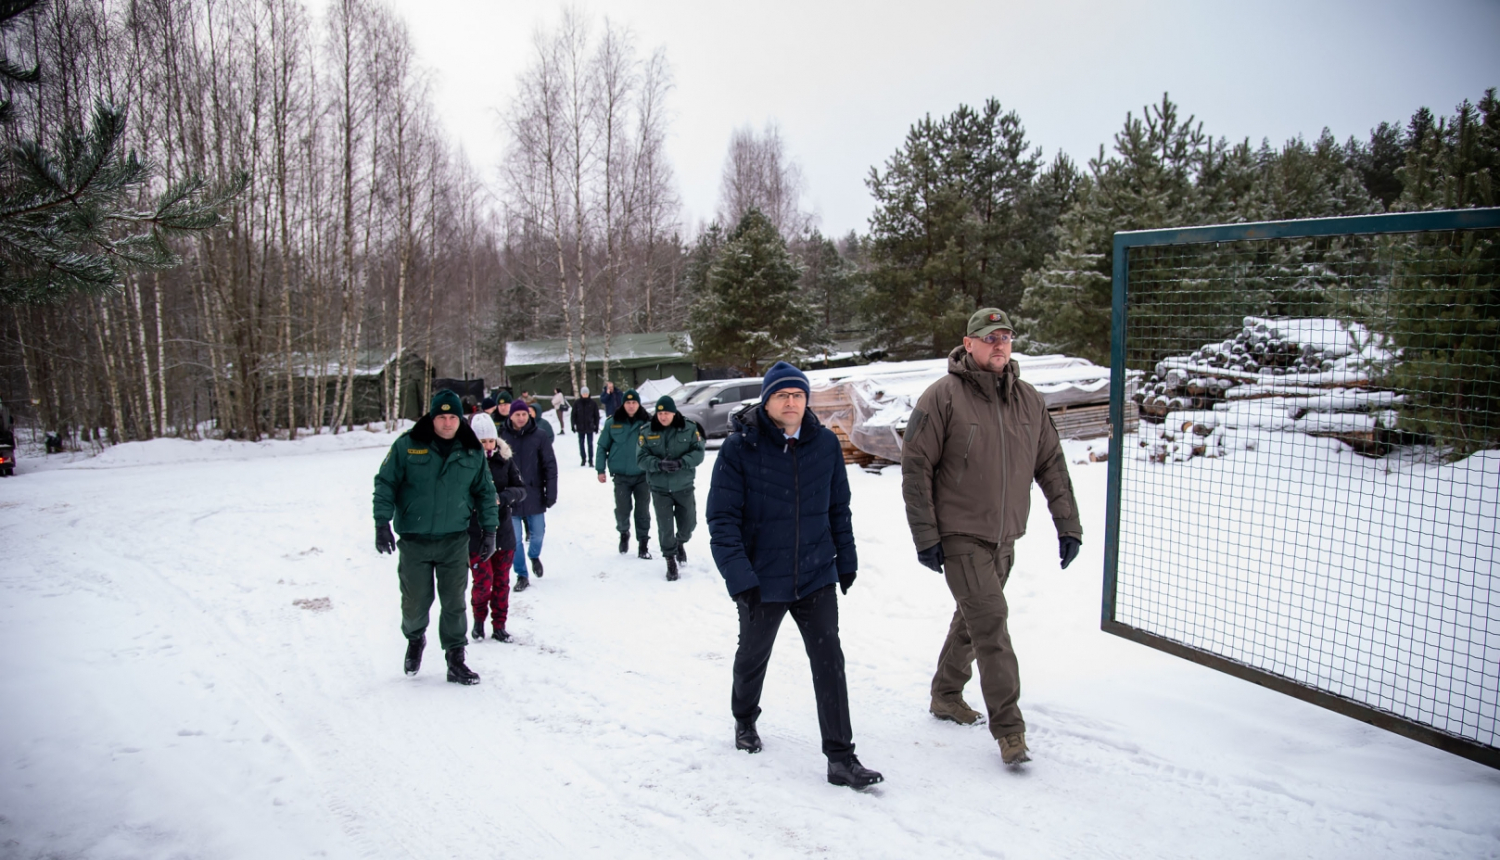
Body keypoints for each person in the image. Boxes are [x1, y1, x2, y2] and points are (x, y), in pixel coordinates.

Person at [900, 308, 1083, 766]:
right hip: (959, 533)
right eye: (989, 337)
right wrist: (926, 534)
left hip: (1005, 536)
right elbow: (915, 468)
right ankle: (1010, 731)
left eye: (1006, 337)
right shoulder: (941, 397)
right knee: (993, 626)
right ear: (968, 344)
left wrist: (1068, 524)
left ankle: (945, 693)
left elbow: (1052, 467)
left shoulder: (1028, 400)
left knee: (974, 620)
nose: (999, 344)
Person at [707, 361, 883, 789]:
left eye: (798, 395)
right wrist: (740, 578)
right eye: (783, 395)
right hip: (761, 579)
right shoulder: (740, 448)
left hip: (816, 574)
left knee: (829, 662)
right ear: (767, 401)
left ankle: (841, 758)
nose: (792, 402)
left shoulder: (824, 444)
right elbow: (722, 520)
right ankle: (744, 719)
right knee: (752, 657)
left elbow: (838, 507)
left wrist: (847, 559)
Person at [373, 389, 497, 685]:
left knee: (454, 602)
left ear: (459, 418)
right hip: (415, 540)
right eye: (441, 417)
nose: (446, 423)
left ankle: (456, 659)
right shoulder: (408, 445)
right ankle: (415, 638)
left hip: (454, 539)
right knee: (415, 603)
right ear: (431, 417)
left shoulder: (471, 449)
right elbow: (386, 482)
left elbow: (484, 491)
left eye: (452, 417)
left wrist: (490, 530)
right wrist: (381, 522)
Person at [467, 412, 528, 642]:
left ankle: (499, 624)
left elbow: (521, 489)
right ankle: (478, 619)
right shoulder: (466, 463)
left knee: (502, 582)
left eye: (490, 440)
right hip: (476, 533)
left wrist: (502, 497)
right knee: (483, 582)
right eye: (482, 442)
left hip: (503, 532)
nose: (487, 446)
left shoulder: (505, 459)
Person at [637, 395, 705, 581]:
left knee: (689, 524)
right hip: (659, 488)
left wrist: (682, 462)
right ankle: (670, 559)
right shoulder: (647, 430)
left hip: (683, 486)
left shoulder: (689, 428)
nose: (663, 417)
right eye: (660, 413)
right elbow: (641, 458)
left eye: (666, 413)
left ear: (674, 413)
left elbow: (699, 453)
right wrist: (658, 464)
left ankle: (680, 542)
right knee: (665, 526)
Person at [500, 394, 558, 591]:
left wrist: (551, 492)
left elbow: (550, 465)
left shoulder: (539, 436)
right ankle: (522, 575)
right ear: (511, 416)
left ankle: (534, 555)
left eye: (524, 414)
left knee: (538, 534)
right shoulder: (502, 436)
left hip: (534, 494)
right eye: (517, 414)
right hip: (511, 497)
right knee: (515, 540)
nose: (521, 418)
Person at [595, 389, 653, 559]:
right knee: (622, 509)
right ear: (623, 404)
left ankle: (643, 544)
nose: (631, 406)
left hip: (643, 475)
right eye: (628, 403)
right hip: (621, 476)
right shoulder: (613, 423)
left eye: (634, 402)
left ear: (638, 403)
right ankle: (623, 532)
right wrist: (600, 469)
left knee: (643, 511)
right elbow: (602, 447)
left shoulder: (648, 422)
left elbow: (657, 444)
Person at [571, 386, 601, 467]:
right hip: (580, 427)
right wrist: (573, 425)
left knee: (590, 444)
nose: (585, 395)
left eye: (586, 393)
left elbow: (596, 416)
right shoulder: (577, 403)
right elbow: (573, 415)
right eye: (583, 393)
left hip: (590, 426)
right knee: (581, 443)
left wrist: (596, 426)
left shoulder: (593, 403)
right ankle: (583, 459)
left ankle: (591, 460)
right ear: (581, 394)